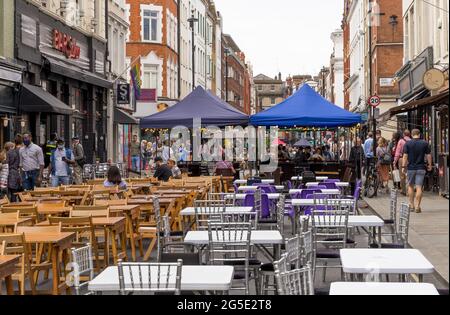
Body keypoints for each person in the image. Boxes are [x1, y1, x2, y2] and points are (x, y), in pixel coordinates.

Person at [402, 129, 432, 214]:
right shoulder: (425, 143)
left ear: (411, 134)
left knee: (410, 186)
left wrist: (404, 167)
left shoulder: (407, 143)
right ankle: (418, 206)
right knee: (419, 187)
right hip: (421, 167)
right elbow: (429, 155)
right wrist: (429, 165)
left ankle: (411, 205)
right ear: (419, 134)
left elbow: (405, 156)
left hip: (411, 168)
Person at [6, 137, 22, 202]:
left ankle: (12, 208)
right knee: (18, 193)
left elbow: (7, 163)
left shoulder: (9, 152)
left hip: (10, 172)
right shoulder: (21, 150)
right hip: (19, 172)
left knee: (12, 192)